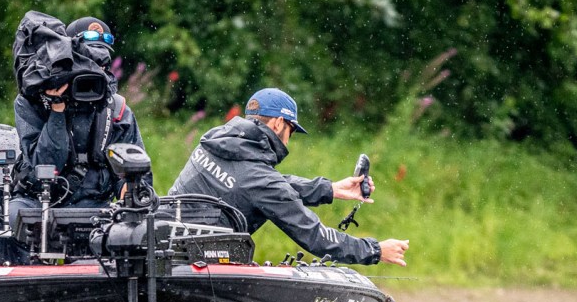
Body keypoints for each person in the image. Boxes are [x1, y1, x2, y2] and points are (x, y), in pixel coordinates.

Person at [168, 88, 409, 266]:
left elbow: (255, 183)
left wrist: (330, 189)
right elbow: (316, 236)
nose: (288, 139)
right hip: (197, 268)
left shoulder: (215, 142)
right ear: (277, 123)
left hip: (167, 250)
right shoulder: (259, 180)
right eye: (291, 131)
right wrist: (375, 250)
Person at [11, 15, 151, 222]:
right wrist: (57, 109)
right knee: (14, 219)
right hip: (37, 202)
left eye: (101, 63)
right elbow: (46, 165)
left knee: (140, 226)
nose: (96, 71)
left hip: (96, 209)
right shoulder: (33, 101)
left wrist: (131, 193)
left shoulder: (118, 111)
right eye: (89, 62)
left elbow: (134, 177)